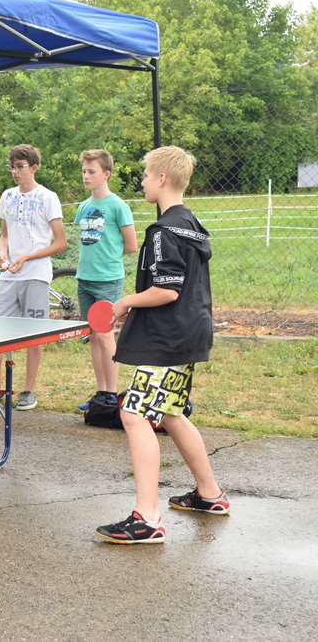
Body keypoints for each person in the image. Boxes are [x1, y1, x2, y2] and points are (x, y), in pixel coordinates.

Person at [95, 146, 228, 545]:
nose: (142, 182)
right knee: (170, 412)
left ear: (162, 179)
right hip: (190, 333)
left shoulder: (162, 231)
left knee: (134, 413)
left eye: (145, 175)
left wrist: (125, 302)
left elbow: (167, 289)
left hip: (167, 338)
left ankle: (147, 518)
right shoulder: (192, 224)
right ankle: (210, 495)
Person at [0, 145, 65, 411]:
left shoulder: (48, 197)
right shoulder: (8, 196)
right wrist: (4, 254)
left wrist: (27, 258)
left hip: (37, 275)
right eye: (12, 167)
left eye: (20, 167)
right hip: (10, 276)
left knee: (34, 334)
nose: (15, 172)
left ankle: (28, 390)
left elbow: (60, 243)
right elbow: (5, 235)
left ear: (34, 167)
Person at [72, 149, 137, 414]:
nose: (86, 176)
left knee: (105, 334)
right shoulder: (83, 206)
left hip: (107, 279)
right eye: (84, 171)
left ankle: (111, 394)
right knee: (94, 336)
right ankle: (101, 393)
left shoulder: (118, 206)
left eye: (92, 171)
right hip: (84, 278)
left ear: (106, 174)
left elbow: (131, 245)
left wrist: (107, 259)